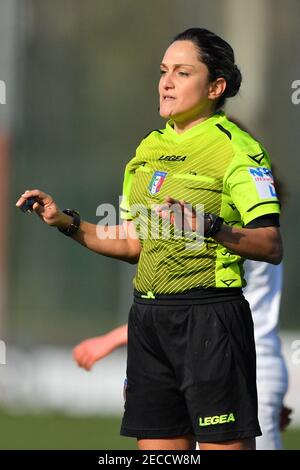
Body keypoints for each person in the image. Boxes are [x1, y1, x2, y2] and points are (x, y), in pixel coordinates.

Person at [16, 27, 283, 450]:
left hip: (210, 319)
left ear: (216, 86)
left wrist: (210, 226)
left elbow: (270, 244)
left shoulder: (238, 149)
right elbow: (133, 243)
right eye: (163, 71)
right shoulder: (147, 150)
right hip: (149, 322)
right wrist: (65, 221)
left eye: (182, 72)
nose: (166, 82)